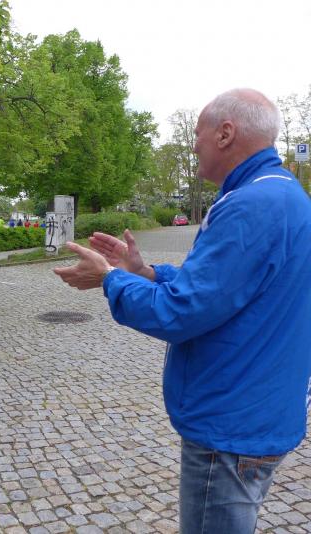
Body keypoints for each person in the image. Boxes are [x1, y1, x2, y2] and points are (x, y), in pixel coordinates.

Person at [53, 89, 311, 533]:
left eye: (197, 134)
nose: (194, 146)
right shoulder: (283, 195)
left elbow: (180, 312)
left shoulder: (251, 206)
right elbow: (223, 287)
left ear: (225, 134)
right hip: (260, 409)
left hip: (230, 422)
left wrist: (110, 278)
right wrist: (145, 272)